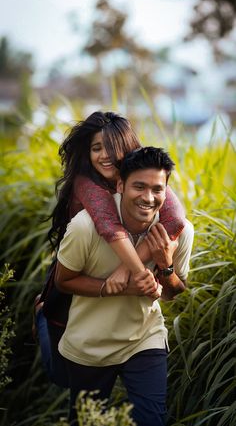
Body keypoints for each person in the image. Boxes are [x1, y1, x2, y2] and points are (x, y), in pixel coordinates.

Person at [34, 111, 185, 387]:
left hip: (115, 271)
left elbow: (175, 218)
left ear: (128, 148)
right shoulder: (86, 183)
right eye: (96, 148)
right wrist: (138, 272)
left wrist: (126, 270)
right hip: (74, 270)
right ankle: (42, 314)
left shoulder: (144, 176)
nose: (105, 155)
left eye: (113, 147)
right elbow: (108, 224)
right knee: (61, 375)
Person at [55, 146, 194, 426]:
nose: (148, 197)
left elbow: (173, 293)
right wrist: (110, 286)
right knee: (85, 422)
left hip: (144, 338)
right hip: (89, 344)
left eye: (157, 189)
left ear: (167, 191)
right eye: (139, 187)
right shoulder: (85, 227)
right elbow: (63, 281)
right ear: (120, 184)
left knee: (152, 420)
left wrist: (165, 267)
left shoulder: (180, 230)